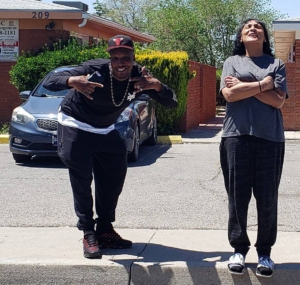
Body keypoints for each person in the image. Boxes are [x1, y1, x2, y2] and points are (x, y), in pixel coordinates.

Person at [43, 35, 178, 259]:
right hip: (75, 123)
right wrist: (72, 82)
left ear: (133, 58)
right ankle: (88, 232)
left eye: (125, 57)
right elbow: (50, 80)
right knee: (82, 177)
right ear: (110, 60)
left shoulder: (139, 77)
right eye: (115, 58)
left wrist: (157, 85)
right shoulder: (93, 69)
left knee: (114, 175)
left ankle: (104, 229)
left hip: (105, 128)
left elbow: (171, 102)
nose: (120, 63)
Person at [219, 19, 287, 277]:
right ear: (241, 36)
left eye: (258, 26)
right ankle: (238, 249)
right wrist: (263, 85)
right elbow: (229, 95)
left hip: (270, 138)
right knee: (238, 197)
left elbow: (278, 102)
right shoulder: (231, 61)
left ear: (265, 37)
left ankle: (265, 253)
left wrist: (243, 86)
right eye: (247, 26)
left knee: (267, 198)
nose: (253, 28)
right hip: (235, 137)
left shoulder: (276, 64)